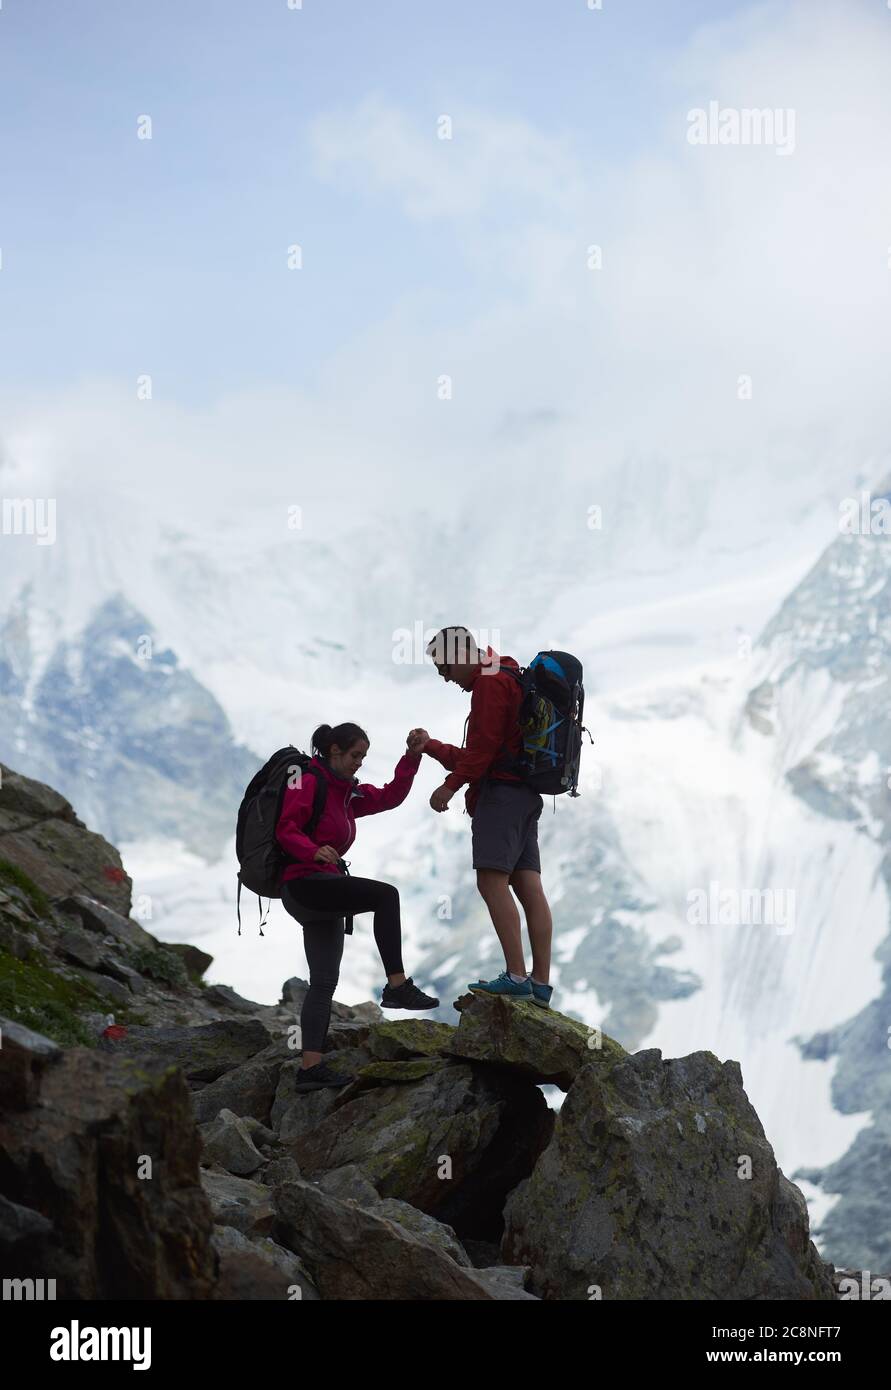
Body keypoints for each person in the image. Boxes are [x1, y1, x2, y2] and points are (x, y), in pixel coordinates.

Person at [277, 720, 439, 1090]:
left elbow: (390, 796)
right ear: (334, 751)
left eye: (363, 756)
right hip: (303, 882)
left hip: (324, 889)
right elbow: (285, 828)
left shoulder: (346, 793)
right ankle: (397, 986)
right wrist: (312, 849)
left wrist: (411, 758)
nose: (359, 763)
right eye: (355, 755)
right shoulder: (307, 779)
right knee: (386, 896)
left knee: (323, 983)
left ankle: (309, 1070)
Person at [423, 627, 554, 1007]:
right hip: (526, 794)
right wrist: (432, 747)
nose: (444, 676)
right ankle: (540, 984)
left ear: (463, 653)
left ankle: (516, 975)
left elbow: (481, 751)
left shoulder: (489, 683)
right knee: (529, 888)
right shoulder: (509, 671)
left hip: (502, 796)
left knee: (491, 883)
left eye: (444, 666)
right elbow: (488, 750)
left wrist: (450, 787)